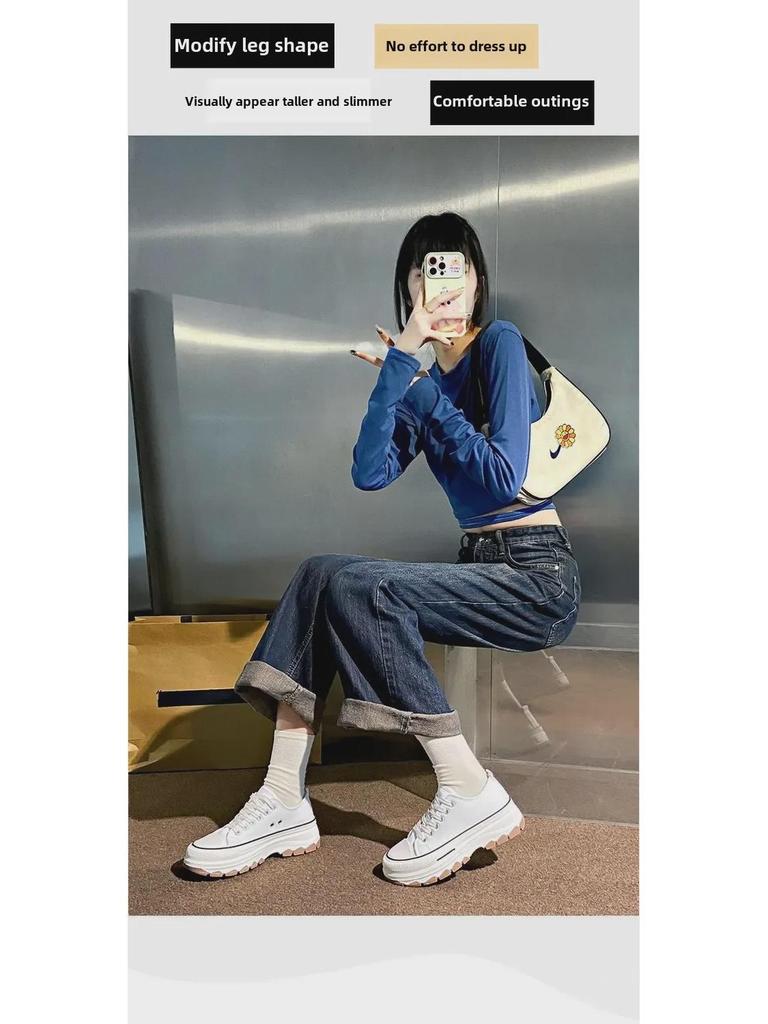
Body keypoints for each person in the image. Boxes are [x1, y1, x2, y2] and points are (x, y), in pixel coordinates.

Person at [182, 212, 581, 886]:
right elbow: (369, 472)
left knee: (363, 587)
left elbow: (501, 475)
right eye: (428, 273)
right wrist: (398, 376)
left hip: (536, 575)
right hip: (479, 569)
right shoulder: (420, 377)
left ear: (477, 283)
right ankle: (282, 796)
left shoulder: (500, 344)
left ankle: (466, 787)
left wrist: (421, 390)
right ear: (409, 288)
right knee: (320, 573)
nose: (444, 288)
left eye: (457, 270)